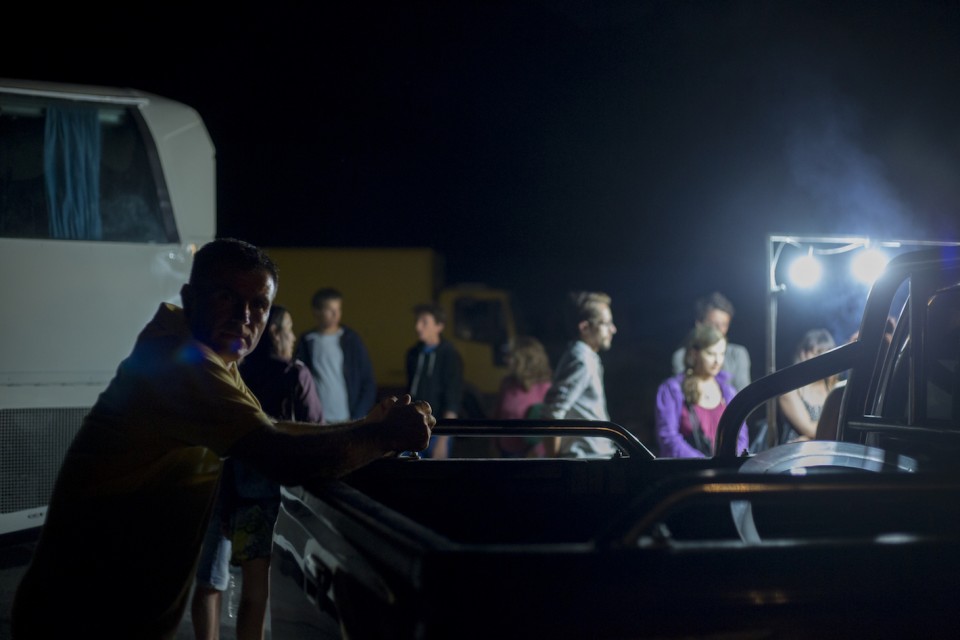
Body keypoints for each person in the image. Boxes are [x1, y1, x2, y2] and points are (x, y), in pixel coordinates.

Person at [11, 238, 433, 640]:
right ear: (190, 297)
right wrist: (383, 436)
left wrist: (366, 427)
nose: (244, 315)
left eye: (259, 304)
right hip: (81, 619)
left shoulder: (212, 359)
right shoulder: (182, 364)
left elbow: (272, 428)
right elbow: (279, 454)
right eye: (226, 297)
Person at [191, 304, 323, 640]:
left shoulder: (239, 374)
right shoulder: (295, 374)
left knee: (225, 585)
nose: (293, 336)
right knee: (259, 592)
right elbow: (316, 429)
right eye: (289, 328)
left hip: (233, 488)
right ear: (275, 333)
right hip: (274, 496)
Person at [541, 291, 619, 458]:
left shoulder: (587, 356)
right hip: (587, 459)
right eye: (606, 323)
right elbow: (553, 412)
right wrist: (554, 462)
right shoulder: (581, 359)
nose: (613, 329)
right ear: (584, 327)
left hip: (595, 456)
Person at [656, 324, 750, 458]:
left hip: (725, 469)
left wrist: (730, 459)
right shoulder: (673, 389)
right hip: (687, 469)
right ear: (695, 353)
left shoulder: (728, 391)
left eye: (721, 354)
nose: (717, 361)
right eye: (711, 354)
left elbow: (741, 435)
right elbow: (668, 438)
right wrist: (703, 463)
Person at [296, 287, 377, 423]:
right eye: (330, 310)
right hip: (316, 420)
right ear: (316, 311)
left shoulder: (351, 340)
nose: (336, 314)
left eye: (338, 309)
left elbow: (368, 382)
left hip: (347, 418)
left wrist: (357, 416)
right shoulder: (307, 341)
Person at [405, 302, 463, 459]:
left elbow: (453, 400)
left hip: (438, 430)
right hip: (413, 429)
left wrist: (443, 440)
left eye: (424, 322)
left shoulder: (450, 356)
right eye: (417, 321)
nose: (418, 327)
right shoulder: (413, 354)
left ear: (439, 326)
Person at [671, 291, 752, 393]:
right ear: (699, 324)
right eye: (714, 324)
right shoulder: (682, 356)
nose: (719, 329)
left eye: (724, 324)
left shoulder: (738, 354)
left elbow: (744, 394)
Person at [493, 336, 553, 458]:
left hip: (531, 456)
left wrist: (537, 451)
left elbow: (550, 426)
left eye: (512, 357)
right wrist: (493, 443)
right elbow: (497, 414)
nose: (507, 360)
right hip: (505, 452)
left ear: (526, 360)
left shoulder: (545, 387)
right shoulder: (507, 383)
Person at [777, 328, 839, 444]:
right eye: (818, 353)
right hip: (797, 453)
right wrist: (831, 429)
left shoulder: (834, 387)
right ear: (803, 354)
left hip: (829, 450)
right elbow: (810, 430)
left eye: (828, 354)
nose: (823, 360)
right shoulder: (790, 391)